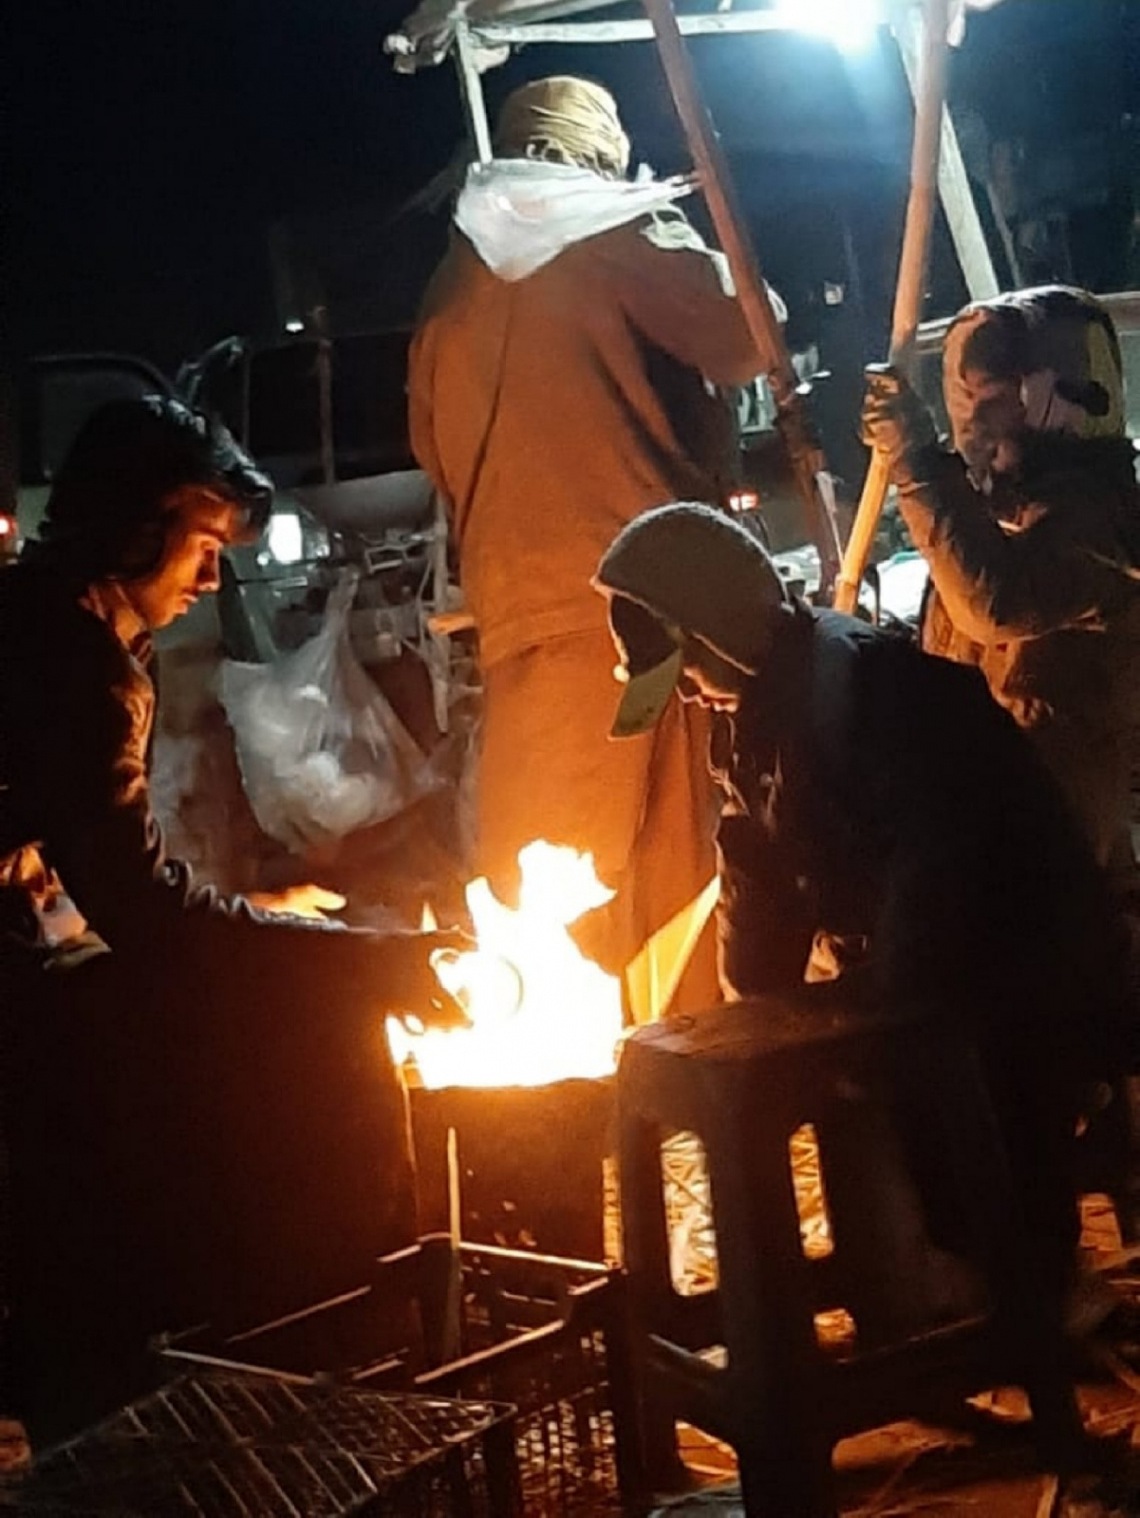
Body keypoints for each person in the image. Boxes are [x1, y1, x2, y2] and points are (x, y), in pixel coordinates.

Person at [0, 397, 463, 1443]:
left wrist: (254, 920)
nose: (213, 576)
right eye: (202, 542)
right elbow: (150, 913)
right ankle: (245, 1355)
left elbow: (110, 872)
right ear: (134, 521)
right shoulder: (71, 656)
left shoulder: (70, 623)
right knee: (268, 1038)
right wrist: (354, 963)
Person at [594, 501, 1132, 1350]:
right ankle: (919, 1298)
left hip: (1026, 951)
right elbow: (755, 883)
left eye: (688, 665)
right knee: (859, 1083)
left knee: (966, 1090)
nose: (688, 691)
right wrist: (754, 1022)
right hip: (919, 961)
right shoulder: (749, 723)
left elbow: (945, 853)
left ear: (718, 626)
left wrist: (887, 1006)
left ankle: (1033, 1293)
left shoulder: (873, 689)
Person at [409, 75, 775, 1020]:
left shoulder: (450, 287)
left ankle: (571, 1114)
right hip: (643, 608)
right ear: (591, 155)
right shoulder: (594, 227)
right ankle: (685, 1104)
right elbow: (747, 334)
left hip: (520, 620)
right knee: (675, 875)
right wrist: (692, 233)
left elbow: (434, 457)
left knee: (546, 877)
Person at [860, 285, 1140, 881]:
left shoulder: (1097, 514)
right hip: (984, 839)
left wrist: (914, 462)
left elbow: (995, 603)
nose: (977, 425)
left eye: (994, 400)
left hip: (1053, 862)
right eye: (970, 401)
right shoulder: (994, 513)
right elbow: (953, 653)